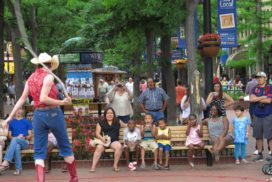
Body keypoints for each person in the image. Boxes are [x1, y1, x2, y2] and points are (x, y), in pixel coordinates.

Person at [1, 53, 78, 181]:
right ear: (50, 65)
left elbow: (22, 99)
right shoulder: (49, 77)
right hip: (53, 113)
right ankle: (74, 179)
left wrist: (10, 117)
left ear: (37, 65)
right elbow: (43, 98)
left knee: (39, 152)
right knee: (65, 147)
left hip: (39, 116)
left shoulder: (31, 78)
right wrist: (62, 102)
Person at [90, 107, 126, 172]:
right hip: (103, 141)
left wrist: (138, 125)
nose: (110, 114)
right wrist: (102, 139)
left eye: (111, 113)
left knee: (119, 146)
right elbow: (97, 133)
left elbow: (126, 125)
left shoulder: (118, 121)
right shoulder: (100, 122)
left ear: (114, 114)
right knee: (98, 148)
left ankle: (115, 166)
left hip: (114, 141)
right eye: (108, 113)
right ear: (105, 114)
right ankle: (93, 167)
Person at [0, 108, 32, 175]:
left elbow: (30, 135)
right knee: (16, 146)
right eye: (17, 109)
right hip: (15, 142)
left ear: (22, 111)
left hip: (25, 142)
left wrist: (24, 136)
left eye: (20, 109)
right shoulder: (11, 122)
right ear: (14, 111)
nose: (19, 111)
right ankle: (18, 169)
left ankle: (6, 161)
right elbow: (9, 136)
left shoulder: (27, 121)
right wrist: (16, 138)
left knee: (15, 140)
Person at [250, 71, 272, 162]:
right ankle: (259, 154)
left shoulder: (270, 88)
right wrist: (263, 97)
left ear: (265, 78)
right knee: (258, 136)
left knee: (270, 136)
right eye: (258, 77)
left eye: (261, 77)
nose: (259, 79)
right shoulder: (254, 88)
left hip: (268, 114)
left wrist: (257, 98)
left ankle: (271, 153)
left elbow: (269, 101)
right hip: (257, 115)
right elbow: (251, 99)